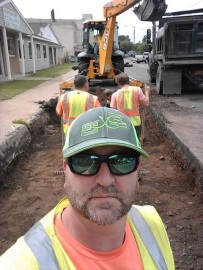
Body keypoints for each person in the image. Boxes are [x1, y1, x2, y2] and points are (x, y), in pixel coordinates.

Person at [0, 107, 175, 270]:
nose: (105, 180)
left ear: (138, 168)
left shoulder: (151, 222)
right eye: (85, 162)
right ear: (65, 168)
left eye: (122, 161)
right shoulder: (21, 263)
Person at [110, 72, 150, 139]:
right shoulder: (137, 90)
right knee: (134, 145)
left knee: (124, 145)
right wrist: (147, 92)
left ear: (118, 83)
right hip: (135, 124)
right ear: (128, 81)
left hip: (121, 125)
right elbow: (146, 104)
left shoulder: (115, 95)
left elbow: (112, 113)